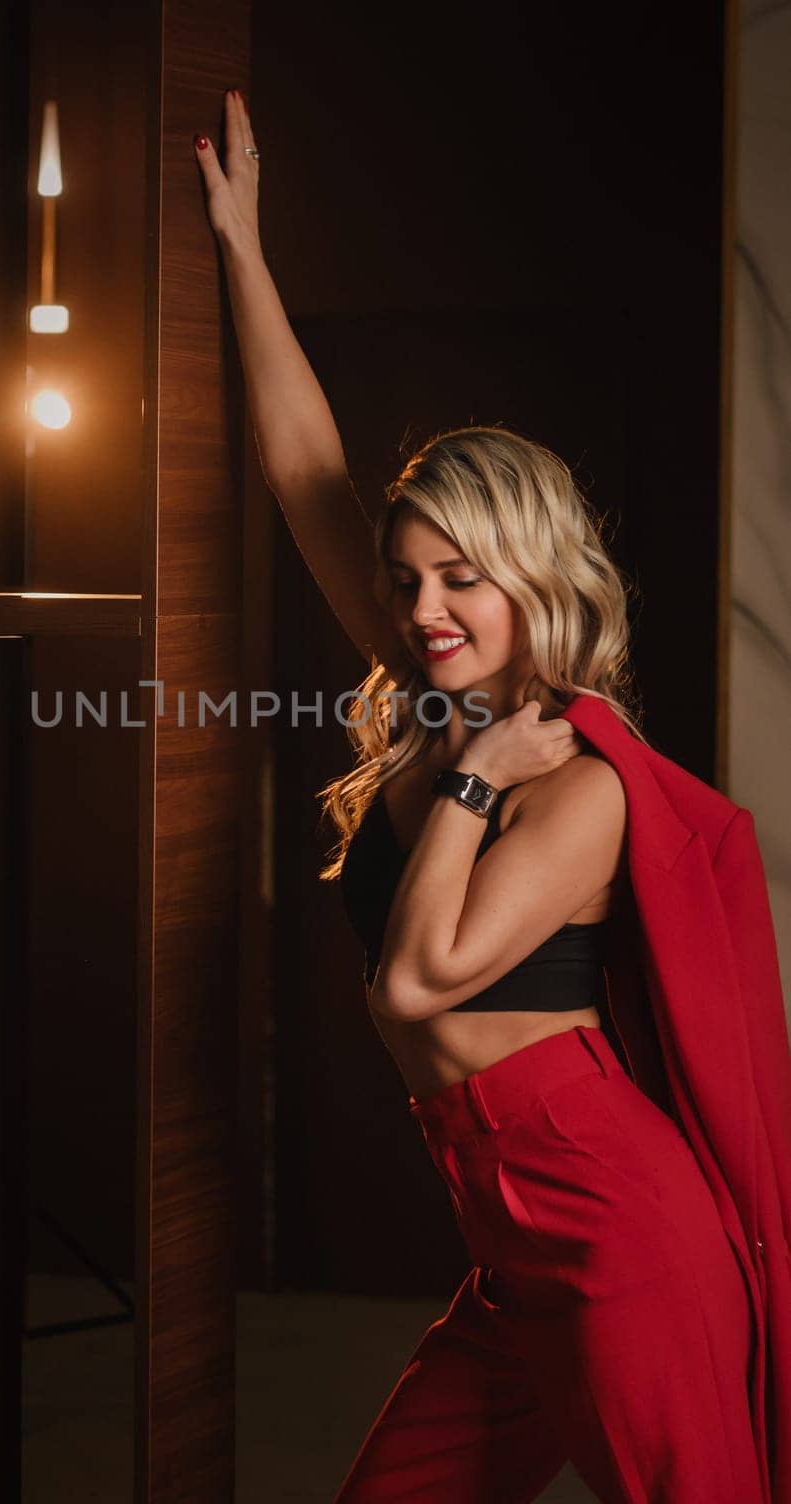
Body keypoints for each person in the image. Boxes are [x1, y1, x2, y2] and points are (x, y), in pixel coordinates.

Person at [194, 90, 789, 1502]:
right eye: (405, 580)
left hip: (609, 1229)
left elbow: (419, 986)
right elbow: (304, 477)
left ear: (533, 575)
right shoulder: (431, 709)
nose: (421, 608)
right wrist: (239, 244)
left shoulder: (574, 781)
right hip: (507, 1243)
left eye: (460, 579)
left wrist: (468, 778)